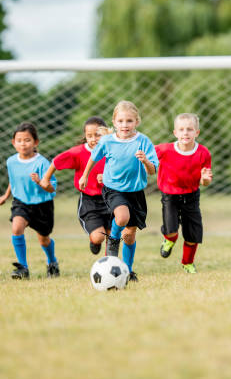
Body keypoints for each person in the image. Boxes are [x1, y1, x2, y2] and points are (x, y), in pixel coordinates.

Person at [79, 100, 159, 282]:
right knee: (121, 217)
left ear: (137, 122)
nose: (125, 125)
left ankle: (128, 271)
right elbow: (93, 158)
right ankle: (113, 240)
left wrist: (145, 160)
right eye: (121, 121)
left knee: (130, 235)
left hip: (136, 192)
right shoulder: (107, 141)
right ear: (114, 122)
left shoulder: (143, 141)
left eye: (129, 121)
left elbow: (153, 170)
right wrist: (85, 176)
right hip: (113, 189)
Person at [35, 116, 111, 255]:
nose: (93, 139)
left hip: (111, 197)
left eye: (98, 135)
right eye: (89, 136)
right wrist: (46, 178)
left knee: (112, 236)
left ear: (106, 134)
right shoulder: (79, 152)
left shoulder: (113, 150)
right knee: (99, 236)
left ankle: (109, 264)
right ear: (85, 136)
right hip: (90, 201)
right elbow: (57, 161)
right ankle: (94, 241)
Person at [0, 123, 59, 279]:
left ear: (36, 142)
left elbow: (52, 188)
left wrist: (40, 182)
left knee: (44, 239)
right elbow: (14, 180)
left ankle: (52, 262)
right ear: (13, 143)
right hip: (21, 202)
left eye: (27, 140)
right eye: (19, 140)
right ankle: (23, 268)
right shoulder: (11, 161)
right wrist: (6, 195)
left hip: (42, 205)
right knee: (16, 228)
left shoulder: (43, 163)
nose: (23, 144)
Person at [155, 113, 212, 273]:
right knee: (172, 230)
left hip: (191, 196)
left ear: (197, 132)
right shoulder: (164, 150)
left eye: (189, 129)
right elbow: (147, 156)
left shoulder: (203, 153)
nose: (185, 133)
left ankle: (187, 263)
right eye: (181, 129)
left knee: (193, 236)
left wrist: (205, 179)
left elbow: (204, 181)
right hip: (170, 195)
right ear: (175, 133)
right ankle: (169, 240)